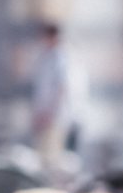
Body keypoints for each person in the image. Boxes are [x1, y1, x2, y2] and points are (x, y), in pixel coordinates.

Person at [26, 20, 86, 178]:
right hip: (46, 114)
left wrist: (49, 113)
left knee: (53, 159)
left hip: (55, 116)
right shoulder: (46, 56)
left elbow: (62, 88)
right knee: (44, 157)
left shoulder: (61, 57)